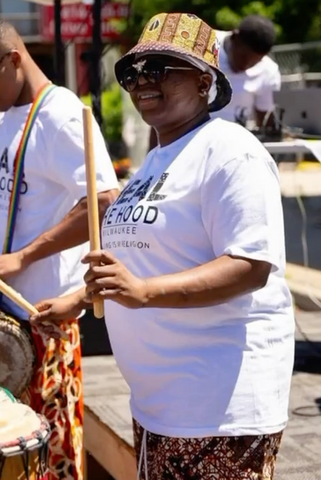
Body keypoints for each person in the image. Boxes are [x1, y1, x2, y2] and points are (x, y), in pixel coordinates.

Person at [31, 12, 295, 480]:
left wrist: (147, 291)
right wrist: (76, 300)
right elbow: (136, 264)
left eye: (158, 68)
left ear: (203, 80)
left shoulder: (231, 149)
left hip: (218, 408)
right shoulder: (155, 160)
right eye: (133, 72)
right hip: (160, 405)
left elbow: (250, 265)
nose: (140, 82)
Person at [0, 12, 119, 480]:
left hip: (45, 317)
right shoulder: (11, 116)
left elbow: (104, 200)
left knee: (54, 452)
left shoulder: (61, 115)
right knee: (16, 456)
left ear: (12, 61)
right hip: (7, 313)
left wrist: (24, 256)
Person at [212, 14, 281, 127]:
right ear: (234, 38)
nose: (245, 66)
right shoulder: (203, 45)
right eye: (243, 57)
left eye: (254, 62)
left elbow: (265, 121)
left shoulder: (268, 71)